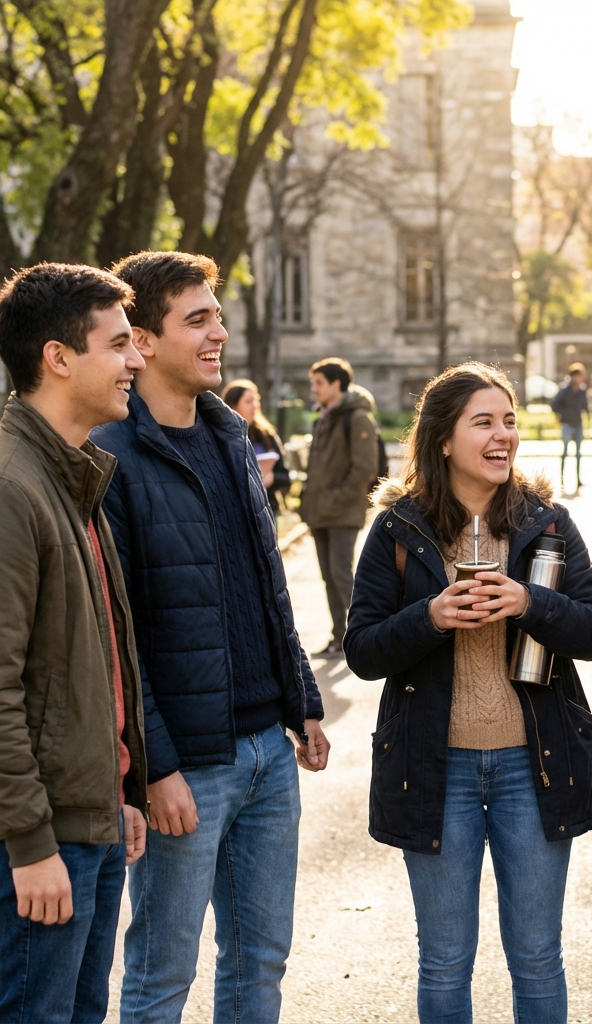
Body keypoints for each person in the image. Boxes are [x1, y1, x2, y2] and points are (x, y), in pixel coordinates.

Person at [94, 250, 329, 1024]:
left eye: (217, 316)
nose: (218, 333)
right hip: (185, 767)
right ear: (145, 339)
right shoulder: (112, 457)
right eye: (198, 320)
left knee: (259, 963)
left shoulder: (231, 434)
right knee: (163, 974)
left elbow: (265, 581)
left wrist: (304, 698)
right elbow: (115, 638)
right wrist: (153, 767)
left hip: (268, 751)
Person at [344, 362, 592, 1024]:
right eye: (484, 422)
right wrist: (430, 617)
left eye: (510, 421)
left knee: (538, 957)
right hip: (436, 772)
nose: (504, 436)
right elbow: (362, 650)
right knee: (443, 961)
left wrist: (529, 602)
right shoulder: (398, 530)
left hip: (535, 765)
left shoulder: (547, 522)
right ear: (443, 439)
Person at [0, 263, 149, 1023]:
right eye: (119, 343)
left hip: (86, 825)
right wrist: (29, 844)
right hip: (39, 845)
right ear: (59, 357)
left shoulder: (70, 473)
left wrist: (119, 790)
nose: (137, 359)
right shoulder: (11, 483)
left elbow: (90, 665)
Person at [300, 357, 381, 657]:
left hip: (343, 512)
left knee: (341, 573)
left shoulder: (357, 418)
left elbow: (364, 469)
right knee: (328, 576)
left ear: (337, 384)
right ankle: (339, 638)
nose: (313, 390)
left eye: (319, 383)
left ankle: (363, 635)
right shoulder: (324, 416)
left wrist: (335, 499)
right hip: (320, 512)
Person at [222, 378, 289, 506]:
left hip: (268, 505)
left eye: (256, 400)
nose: (255, 405)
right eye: (248, 401)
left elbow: (285, 476)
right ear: (233, 405)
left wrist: (272, 478)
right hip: (235, 507)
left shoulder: (267, 435)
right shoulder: (221, 435)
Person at [550, 362, 588, 491]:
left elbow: (585, 406)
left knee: (578, 454)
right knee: (565, 453)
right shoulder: (564, 390)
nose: (578, 379)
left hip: (578, 424)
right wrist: (563, 415)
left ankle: (578, 479)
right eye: (576, 376)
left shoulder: (582, 390)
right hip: (567, 424)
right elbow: (555, 404)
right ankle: (562, 479)